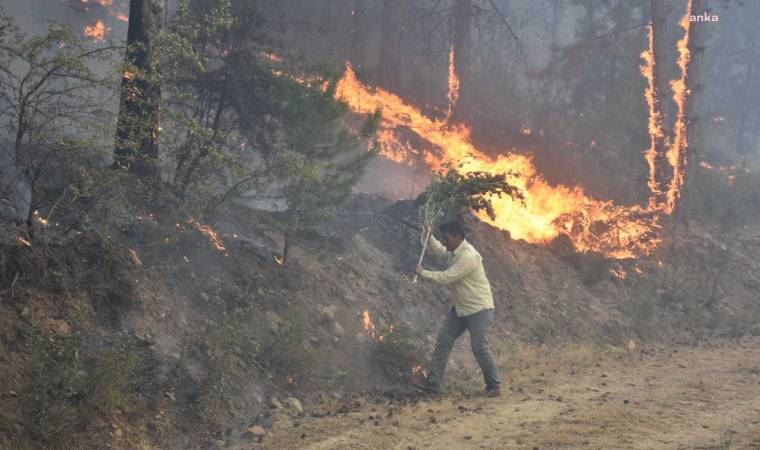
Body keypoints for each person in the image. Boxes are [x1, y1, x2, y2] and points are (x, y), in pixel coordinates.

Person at [412, 220, 501, 397]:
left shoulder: (468, 256)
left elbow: (447, 277)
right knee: (444, 341)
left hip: (479, 309)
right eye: (443, 239)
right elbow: (441, 252)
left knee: (479, 347)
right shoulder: (454, 252)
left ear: (459, 237)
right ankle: (434, 383)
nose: (445, 242)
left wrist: (423, 273)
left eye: (447, 238)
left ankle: (494, 386)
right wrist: (430, 239)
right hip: (461, 308)